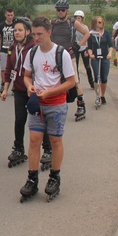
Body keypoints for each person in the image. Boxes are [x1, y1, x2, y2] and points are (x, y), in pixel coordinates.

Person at [20, 17, 76, 201]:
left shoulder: (61, 54)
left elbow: (70, 82)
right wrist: (29, 86)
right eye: (34, 34)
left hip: (56, 104)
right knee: (34, 140)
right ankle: (32, 178)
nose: (36, 38)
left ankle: (54, 177)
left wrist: (50, 92)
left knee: (55, 141)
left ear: (49, 32)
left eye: (40, 34)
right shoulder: (32, 52)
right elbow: (27, 76)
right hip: (38, 103)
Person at [1, 18, 52, 168]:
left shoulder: (34, 47)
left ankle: (48, 149)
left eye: (20, 30)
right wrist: (5, 89)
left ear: (27, 32)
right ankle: (18, 148)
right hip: (19, 90)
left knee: (40, 121)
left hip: (34, 91)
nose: (17, 32)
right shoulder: (12, 48)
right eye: (15, 30)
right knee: (19, 120)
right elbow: (9, 69)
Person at [50, 0, 90, 121]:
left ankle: (81, 104)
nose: (61, 12)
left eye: (63, 10)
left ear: (67, 11)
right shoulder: (53, 24)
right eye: (59, 10)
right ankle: (54, 104)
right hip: (55, 57)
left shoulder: (72, 23)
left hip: (69, 56)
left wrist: (78, 46)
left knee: (75, 81)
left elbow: (87, 33)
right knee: (55, 81)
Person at [87, 16, 114, 105]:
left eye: (102, 22)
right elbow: (89, 47)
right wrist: (91, 54)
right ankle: (98, 95)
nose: (101, 23)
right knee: (97, 77)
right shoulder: (91, 34)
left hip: (105, 58)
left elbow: (110, 45)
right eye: (99, 22)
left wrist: (110, 54)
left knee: (104, 78)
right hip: (95, 58)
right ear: (95, 23)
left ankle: (103, 95)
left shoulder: (106, 33)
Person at [0, 9, 16, 94]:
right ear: (5, 15)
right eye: (8, 15)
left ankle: (14, 85)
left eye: (11, 15)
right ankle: (3, 84)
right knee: (3, 69)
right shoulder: (1, 26)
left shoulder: (15, 25)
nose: (10, 17)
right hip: (4, 49)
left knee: (14, 69)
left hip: (13, 50)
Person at [72, 10, 94, 89]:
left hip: (84, 47)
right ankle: (78, 83)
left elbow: (87, 38)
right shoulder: (73, 28)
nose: (78, 19)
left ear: (82, 19)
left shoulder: (85, 27)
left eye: (79, 18)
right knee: (76, 66)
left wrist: (87, 49)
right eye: (76, 18)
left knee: (87, 66)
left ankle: (92, 83)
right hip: (76, 47)